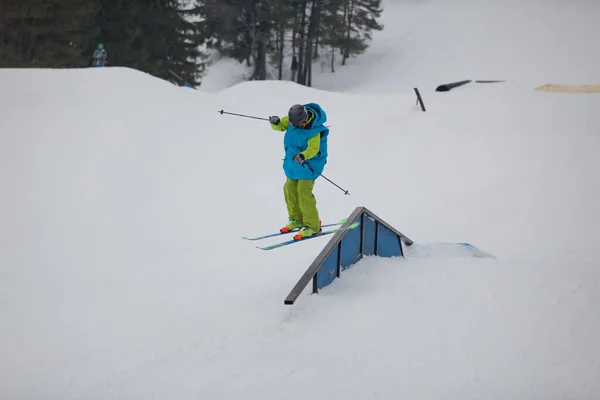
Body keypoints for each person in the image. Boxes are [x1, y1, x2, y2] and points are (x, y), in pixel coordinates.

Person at [269, 103, 329, 240]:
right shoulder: (293, 121)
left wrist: (303, 155)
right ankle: (296, 219)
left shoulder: (315, 130)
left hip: (310, 163)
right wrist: (276, 122)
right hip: (294, 162)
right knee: (289, 188)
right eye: (292, 123)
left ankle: (313, 226)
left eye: (297, 124)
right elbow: (280, 126)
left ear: (304, 119)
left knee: (303, 192)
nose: (293, 126)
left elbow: (313, 149)